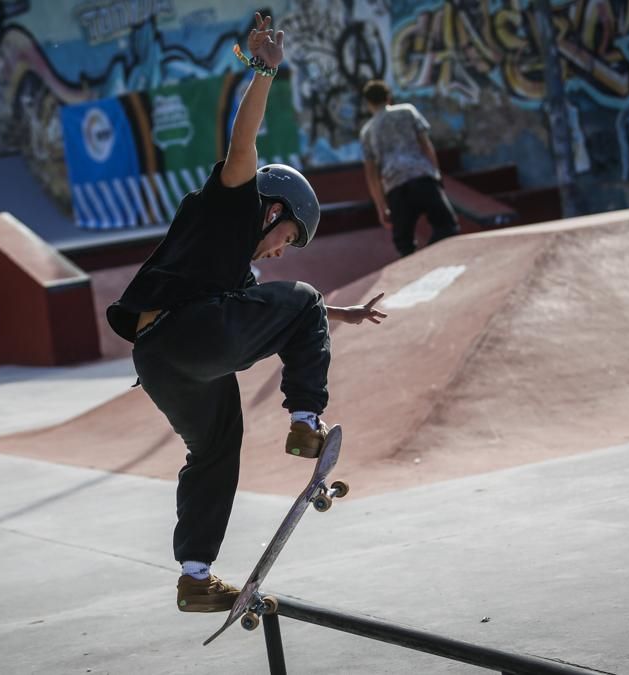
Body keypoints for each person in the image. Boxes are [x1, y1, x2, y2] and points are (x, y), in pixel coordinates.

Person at [105, 12, 388, 614]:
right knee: (302, 298)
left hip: (160, 358)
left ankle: (195, 577)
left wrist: (339, 313)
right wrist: (263, 72)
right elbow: (244, 143)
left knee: (215, 448)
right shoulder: (235, 201)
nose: (283, 249)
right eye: (289, 234)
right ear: (272, 208)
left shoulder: (235, 268)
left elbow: (282, 315)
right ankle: (305, 422)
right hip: (189, 332)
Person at [359, 79, 460, 257]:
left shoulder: (367, 131)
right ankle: (430, 255)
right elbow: (426, 146)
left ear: (368, 103)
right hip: (421, 176)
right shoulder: (407, 111)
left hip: (396, 188)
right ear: (388, 97)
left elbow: (371, 174)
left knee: (404, 244)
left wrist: (381, 206)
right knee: (447, 226)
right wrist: (436, 175)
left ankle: (417, 264)